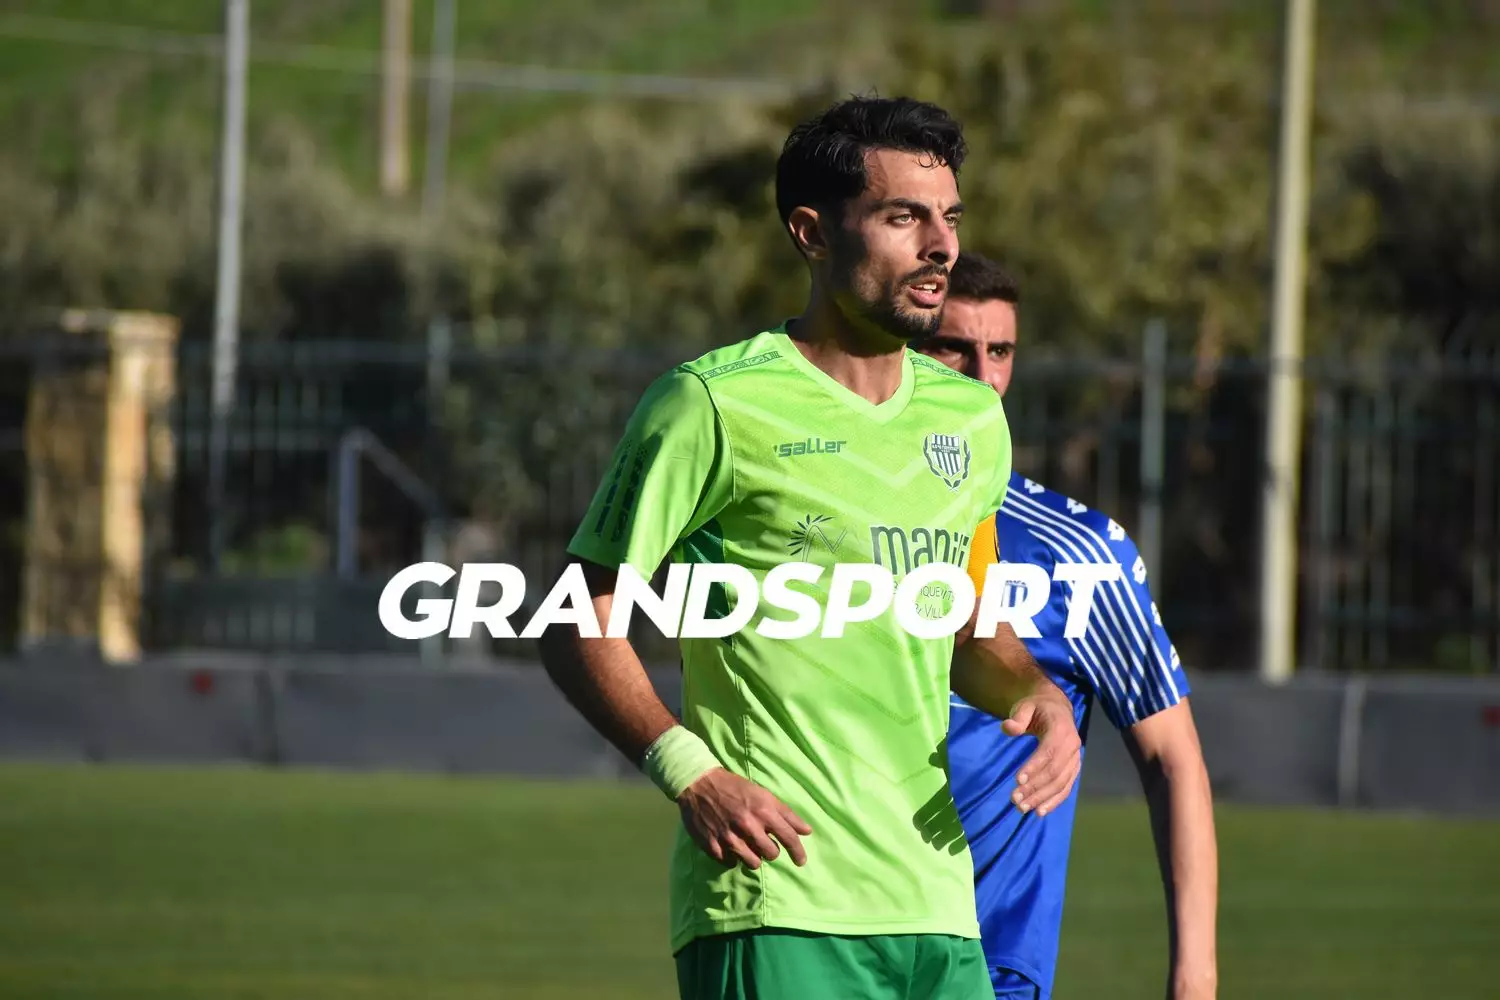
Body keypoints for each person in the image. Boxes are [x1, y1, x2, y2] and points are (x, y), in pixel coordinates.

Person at [538, 97, 1083, 1000]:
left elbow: (968, 629)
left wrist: (1036, 693)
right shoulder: (711, 404)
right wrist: (690, 774)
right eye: (903, 217)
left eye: (949, 218)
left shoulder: (972, 419)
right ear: (812, 233)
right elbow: (573, 616)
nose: (940, 247)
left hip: (938, 906)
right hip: (777, 897)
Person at [913, 252, 1219, 1000]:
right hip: (834, 938)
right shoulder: (834, 527)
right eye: (954, 347)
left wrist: (1196, 978)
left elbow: (1173, 758)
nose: (982, 376)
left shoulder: (1079, 554)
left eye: (1000, 351)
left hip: (993, 965)